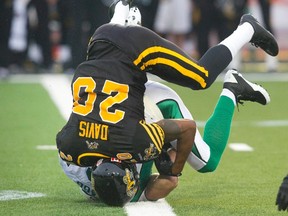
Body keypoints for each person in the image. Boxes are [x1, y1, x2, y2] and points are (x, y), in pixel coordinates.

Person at [56, 0, 278, 206]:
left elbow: (187, 130)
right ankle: (120, 13)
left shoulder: (134, 142)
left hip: (144, 77)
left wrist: (175, 169)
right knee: (110, 64)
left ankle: (247, 29)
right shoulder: (70, 153)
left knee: (201, 80)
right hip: (100, 41)